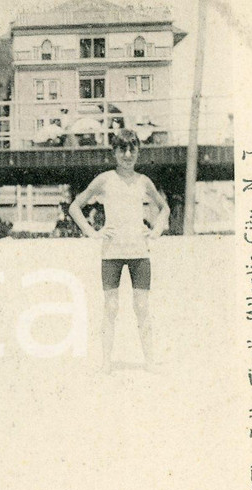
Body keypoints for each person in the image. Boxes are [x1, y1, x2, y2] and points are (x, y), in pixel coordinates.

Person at [67, 128, 170, 372]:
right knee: (111, 307)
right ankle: (106, 362)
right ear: (114, 152)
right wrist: (92, 232)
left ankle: (150, 362)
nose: (127, 154)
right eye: (122, 149)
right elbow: (75, 207)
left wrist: (155, 231)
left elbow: (164, 208)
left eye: (132, 148)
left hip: (139, 253)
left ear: (138, 151)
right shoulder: (104, 180)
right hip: (111, 252)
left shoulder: (144, 181)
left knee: (142, 308)